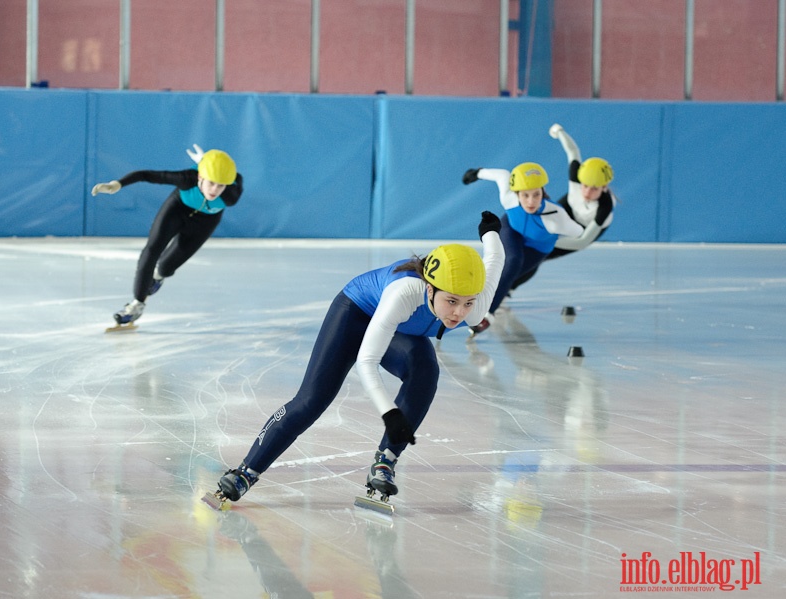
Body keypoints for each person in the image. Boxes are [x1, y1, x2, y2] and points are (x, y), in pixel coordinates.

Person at [212, 212, 505, 505]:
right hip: (355, 314)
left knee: (425, 371)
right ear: (429, 288)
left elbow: (495, 257)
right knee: (311, 400)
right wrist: (390, 414)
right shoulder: (404, 293)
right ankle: (245, 472)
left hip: (400, 328)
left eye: (467, 303)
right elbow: (367, 360)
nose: (458, 313)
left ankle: (385, 462)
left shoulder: (475, 306)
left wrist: (489, 231)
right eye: (451, 301)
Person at [91, 145, 243, 326]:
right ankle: (137, 304)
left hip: (204, 223)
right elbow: (145, 175)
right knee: (152, 250)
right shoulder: (187, 178)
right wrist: (118, 184)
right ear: (200, 177)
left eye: (221, 185)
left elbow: (226, 177)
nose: (215, 190)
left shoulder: (231, 195)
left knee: (165, 266)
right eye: (211, 182)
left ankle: (159, 276)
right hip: (177, 209)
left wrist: (205, 163)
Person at [462, 161, 583, 334]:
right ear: (517, 193)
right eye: (525, 195)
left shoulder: (556, 216)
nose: (531, 201)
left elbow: (579, 231)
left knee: (514, 276)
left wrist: (572, 221)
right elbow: (502, 174)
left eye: (536, 195)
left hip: (538, 247)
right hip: (512, 228)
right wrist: (476, 173)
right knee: (511, 262)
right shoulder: (509, 198)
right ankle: (486, 313)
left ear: (543, 192)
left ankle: (494, 295)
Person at [509, 123, 617, 291]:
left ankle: (508, 289)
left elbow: (582, 242)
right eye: (585, 185)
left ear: (604, 187)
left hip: (583, 230)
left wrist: (548, 239)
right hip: (569, 207)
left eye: (594, 188)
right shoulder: (577, 179)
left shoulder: (604, 209)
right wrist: (559, 131)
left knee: (540, 254)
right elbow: (573, 151)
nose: (587, 192)